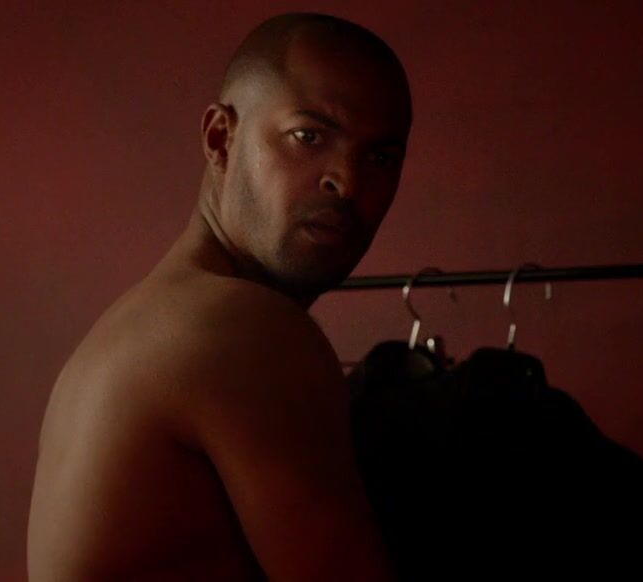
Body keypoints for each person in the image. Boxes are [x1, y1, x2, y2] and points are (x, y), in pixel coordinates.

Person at [27, 13, 410, 581]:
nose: (346, 181)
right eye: (308, 136)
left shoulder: (149, 321)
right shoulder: (240, 328)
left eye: (380, 158)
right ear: (219, 138)